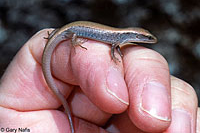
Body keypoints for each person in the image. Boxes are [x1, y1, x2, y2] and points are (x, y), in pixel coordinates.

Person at [0, 29, 199, 133]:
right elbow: (113, 49)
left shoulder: (121, 39)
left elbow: (114, 48)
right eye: (145, 38)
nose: (147, 40)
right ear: (135, 35)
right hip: (68, 33)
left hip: (66, 33)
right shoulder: (119, 39)